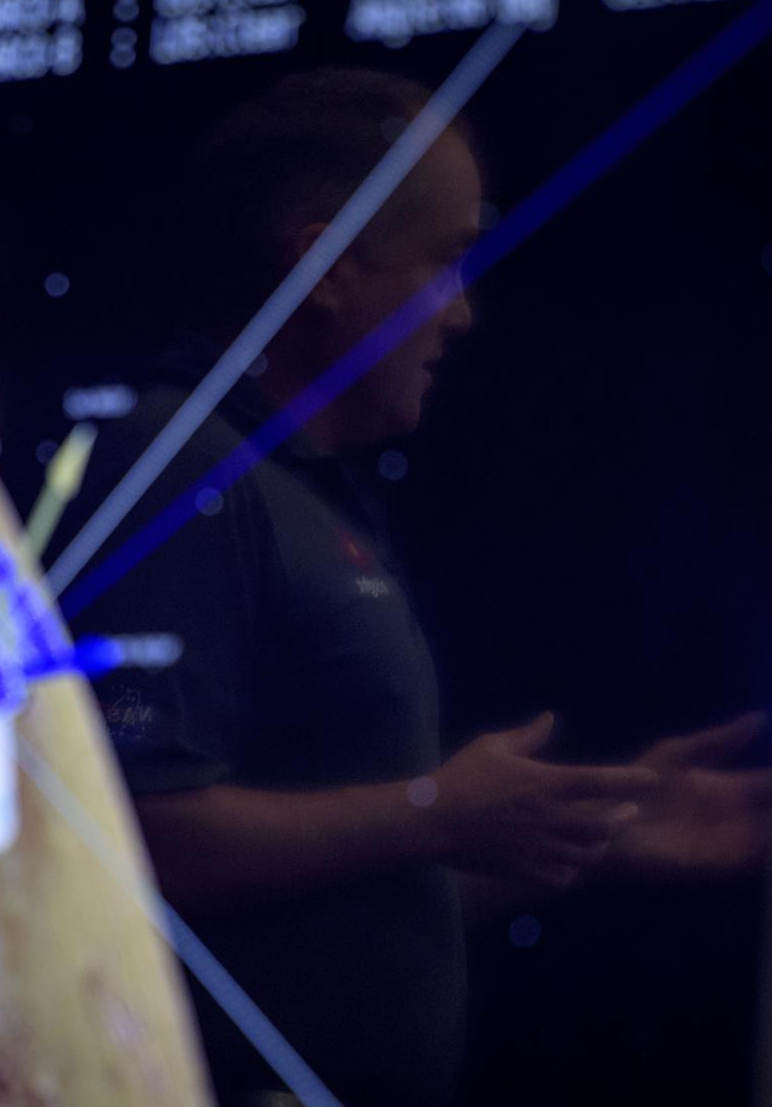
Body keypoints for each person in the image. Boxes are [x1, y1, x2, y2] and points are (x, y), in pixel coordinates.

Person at [45, 68, 771, 1107]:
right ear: (326, 267)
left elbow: (340, 887)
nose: (462, 311)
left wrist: (584, 833)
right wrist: (433, 809)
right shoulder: (176, 473)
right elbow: (130, 842)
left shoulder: (293, 499)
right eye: (443, 260)